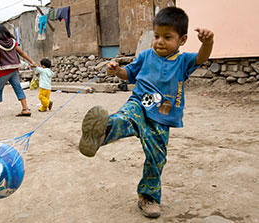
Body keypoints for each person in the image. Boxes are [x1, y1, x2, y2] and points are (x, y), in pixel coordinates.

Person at [78, 6, 214, 218]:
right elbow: (128, 74)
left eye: (167, 37)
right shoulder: (146, 56)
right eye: (157, 35)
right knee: (126, 117)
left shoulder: (182, 60)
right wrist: (116, 71)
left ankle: (148, 196)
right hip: (140, 103)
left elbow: (201, 58)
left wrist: (208, 43)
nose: (160, 41)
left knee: (156, 157)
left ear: (182, 40)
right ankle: (101, 133)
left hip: (162, 117)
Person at [0, 24, 37, 118]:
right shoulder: (12, 42)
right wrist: (31, 61)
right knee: (18, 88)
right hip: (14, 69)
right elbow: (22, 53)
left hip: (3, 71)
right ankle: (25, 109)